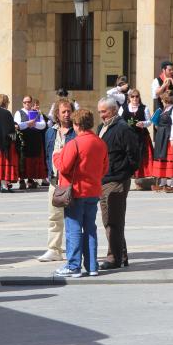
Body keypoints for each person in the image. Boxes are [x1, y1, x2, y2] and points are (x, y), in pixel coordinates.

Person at [52, 109, 108, 278]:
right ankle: (92, 266)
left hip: (76, 191)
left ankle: (73, 265)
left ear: (77, 125)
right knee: (90, 228)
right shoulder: (100, 143)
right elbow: (104, 169)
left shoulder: (74, 144)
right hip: (93, 191)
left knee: (73, 228)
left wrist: (56, 156)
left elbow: (64, 167)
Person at [97, 97, 140, 271]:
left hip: (116, 180)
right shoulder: (101, 128)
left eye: (104, 111)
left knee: (113, 221)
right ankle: (121, 255)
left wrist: (122, 174)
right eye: (100, 112)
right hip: (103, 180)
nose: (101, 115)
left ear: (114, 110)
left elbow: (134, 156)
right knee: (109, 220)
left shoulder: (123, 128)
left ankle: (113, 257)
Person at [38, 98, 76, 262]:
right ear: (57, 114)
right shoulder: (50, 132)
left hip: (72, 182)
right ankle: (54, 249)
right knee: (54, 217)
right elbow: (48, 155)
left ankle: (75, 250)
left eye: (69, 111)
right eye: (63, 112)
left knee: (74, 218)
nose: (67, 114)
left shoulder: (77, 131)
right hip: (55, 181)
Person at [118, 89, 153, 184]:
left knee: (140, 155)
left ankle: (139, 177)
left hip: (141, 136)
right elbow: (119, 120)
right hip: (127, 136)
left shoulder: (144, 108)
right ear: (129, 98)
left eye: (137, 96)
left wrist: (143, 123)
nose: (135, 98)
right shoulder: (123, 108)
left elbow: (149, 122)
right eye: (132, 96)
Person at [14, 95, 47, 190]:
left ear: (31, 102)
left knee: (33, 160)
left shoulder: (36, 112)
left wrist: (34, 124)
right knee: (23, 160)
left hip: (34, 140)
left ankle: (30, 180)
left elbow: (43, 125)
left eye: (28, 102)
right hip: (23, 140)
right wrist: (28, 124)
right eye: (25, 102)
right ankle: (21, 181)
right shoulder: (19, 112)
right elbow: (17, 125)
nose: (27, 104)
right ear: (22, 103)